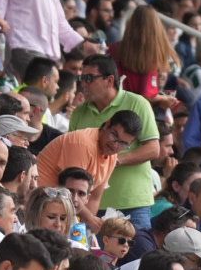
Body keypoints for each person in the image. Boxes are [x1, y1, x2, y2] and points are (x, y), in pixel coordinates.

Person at [67, 53, 162, 231]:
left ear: (109, 80)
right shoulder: (79, 113)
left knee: (137, 257)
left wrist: (114, 161)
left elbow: (153, 149)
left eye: (89, 78)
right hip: (91, 206)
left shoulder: (137, 103)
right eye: (81, 78)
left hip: (133, 203)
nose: (83, 84)